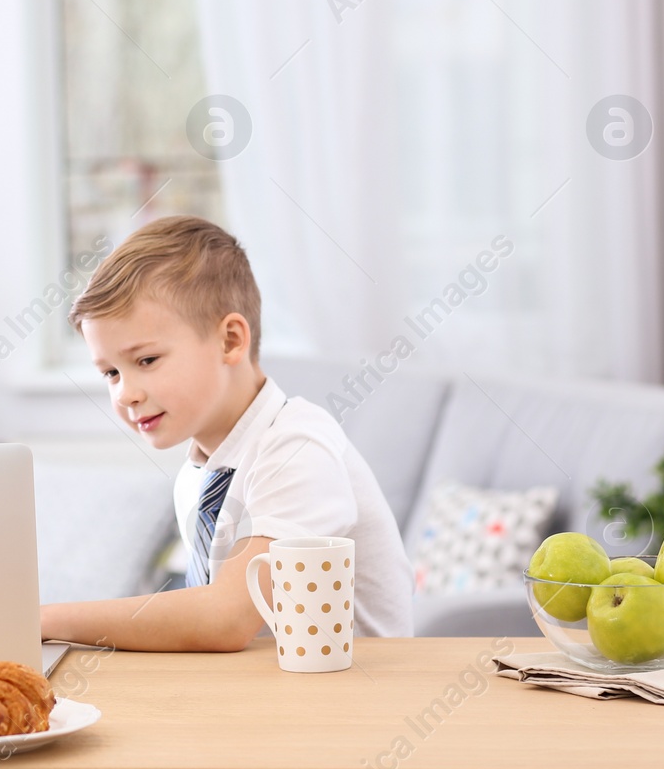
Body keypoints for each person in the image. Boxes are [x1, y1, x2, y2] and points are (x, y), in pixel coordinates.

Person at [39, 216, 413, 650]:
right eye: (110, 373)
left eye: (145, 361)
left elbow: (226, 617)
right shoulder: (199, 475)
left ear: (231, 341)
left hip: (357, 701)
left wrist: (47, 619)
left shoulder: (297, 447)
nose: (125, 394)